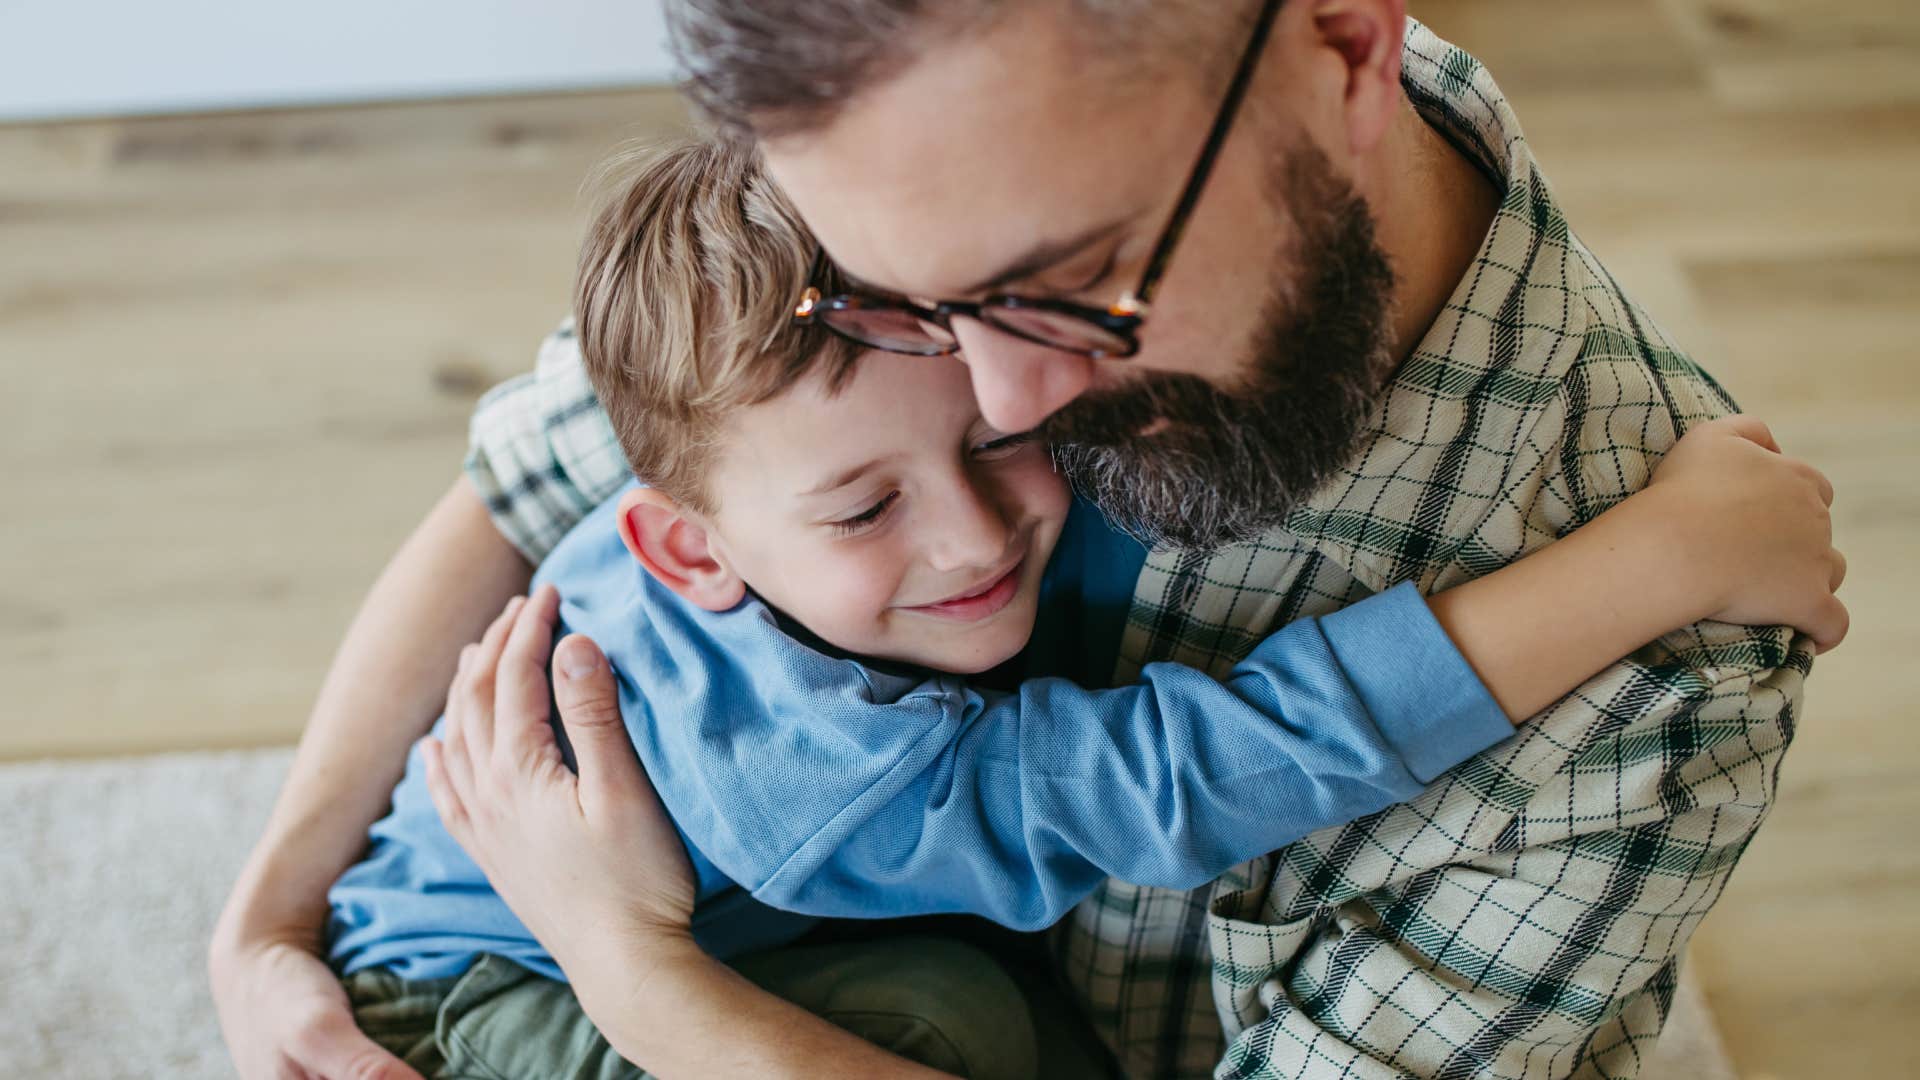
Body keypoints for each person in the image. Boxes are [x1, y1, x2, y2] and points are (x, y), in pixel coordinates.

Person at [210, 3, 1851, 1078]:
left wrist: (1659, 574)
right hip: (500, 975)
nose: (997, 405)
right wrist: (275, 931)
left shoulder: (1665, 691)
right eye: (918, 302)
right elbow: (519, 484)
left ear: (1346, 40)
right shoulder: (893, 211)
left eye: (1073, 285)